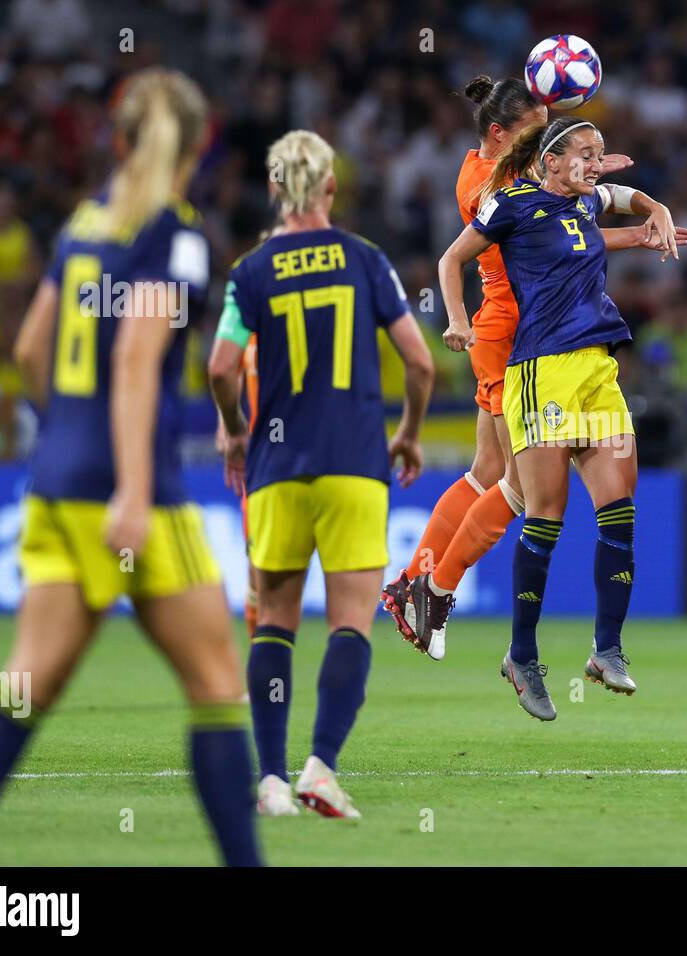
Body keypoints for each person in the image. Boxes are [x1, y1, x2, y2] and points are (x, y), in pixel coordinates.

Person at [0, 69, 262, 865]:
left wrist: (67, 436)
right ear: (200, 148)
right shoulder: (174, 233)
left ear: (117, 138)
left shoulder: (84, 223)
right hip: (132, 496)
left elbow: (29, 350)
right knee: (219, 689)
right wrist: (135, 490)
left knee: (26, 684)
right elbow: (139, 366)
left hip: (57, 484)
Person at [383, 75, 685, 661]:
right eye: (538, 134)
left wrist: (598, 180)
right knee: (519, 489)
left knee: (485, 472)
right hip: (507, 332)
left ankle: (412, 586)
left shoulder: (512, 173)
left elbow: (576, 234)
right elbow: (533, 219)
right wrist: (583, 171)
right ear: (500, 134)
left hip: (532, 330)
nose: (547, 142)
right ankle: (431, 591)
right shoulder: (485, 183)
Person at [208, 130, 433, 817]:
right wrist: (409, 432)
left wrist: (237, 428)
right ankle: (320, 769)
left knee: (272, 623)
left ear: (275, 189)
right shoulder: (365, 260)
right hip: (354, 465)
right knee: (350, 624)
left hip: (277, 469)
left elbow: (220, 366)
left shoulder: (249, 271)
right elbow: (420, 363)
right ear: (331, 187)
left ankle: (271, 781)